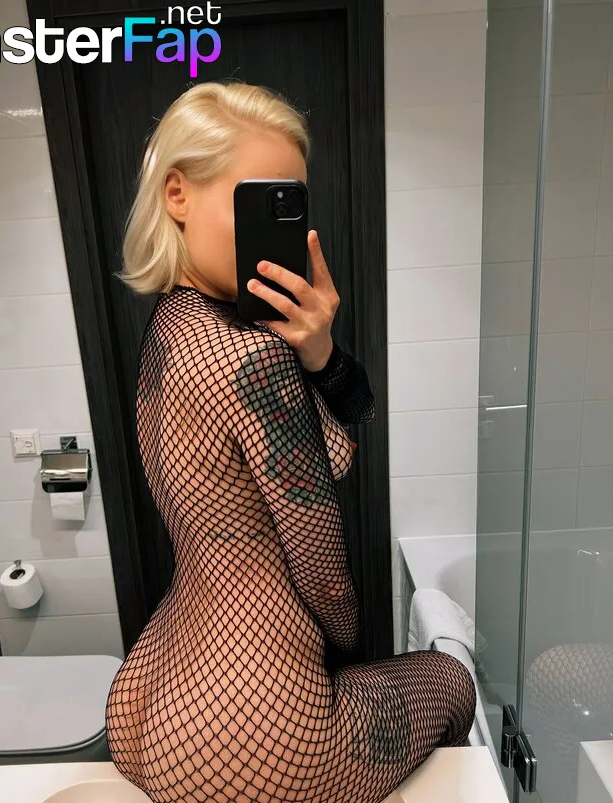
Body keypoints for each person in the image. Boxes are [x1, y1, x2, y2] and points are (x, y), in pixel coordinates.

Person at [104, 79, 476, 803]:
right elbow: (326, 577)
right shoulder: (252, 357)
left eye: (289, 203)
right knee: (452, 680)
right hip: (260, 727)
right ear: (177, 194)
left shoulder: (169, 330)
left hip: (150, 697)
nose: (276, 231)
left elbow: (330, 429)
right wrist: (346, 652)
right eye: (255, 201)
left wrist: (322, 353)